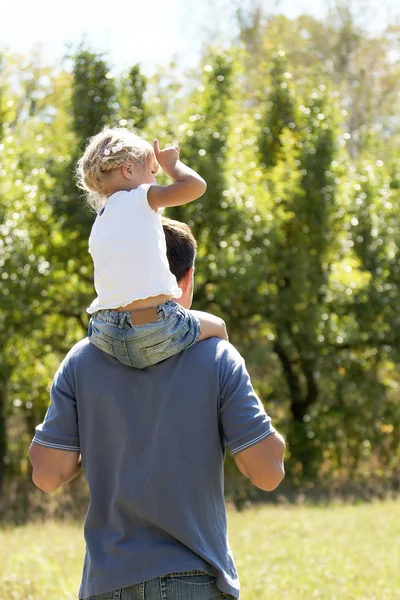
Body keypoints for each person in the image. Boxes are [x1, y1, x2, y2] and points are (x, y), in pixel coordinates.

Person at [29, 218, 286, 600]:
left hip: (106, 582)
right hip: (194, 580)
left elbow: (47, 475)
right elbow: (267, 473)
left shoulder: (81, 361)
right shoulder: (218, 358)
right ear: (187, 279)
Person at [76, 127, 227, 369]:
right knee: (218, 326)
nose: (156, 180)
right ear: (128, 170)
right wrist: (172, 165)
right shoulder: (140, 197)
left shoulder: (100, 221)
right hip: (156, 326)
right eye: (153, 172)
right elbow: (196, 187)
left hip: (106, 331)